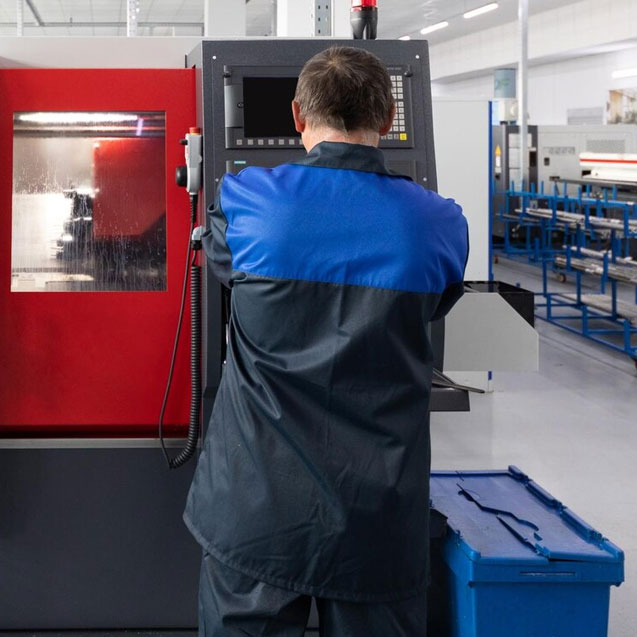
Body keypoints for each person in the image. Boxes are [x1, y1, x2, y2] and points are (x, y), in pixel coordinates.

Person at [184, 45, 469, 636]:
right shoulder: (439, 222)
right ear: (388, 118)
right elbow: (435, 306)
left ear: (297, 115)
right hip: (376, 514)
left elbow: (223, 269)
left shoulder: (247, 200)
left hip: (258, 504)